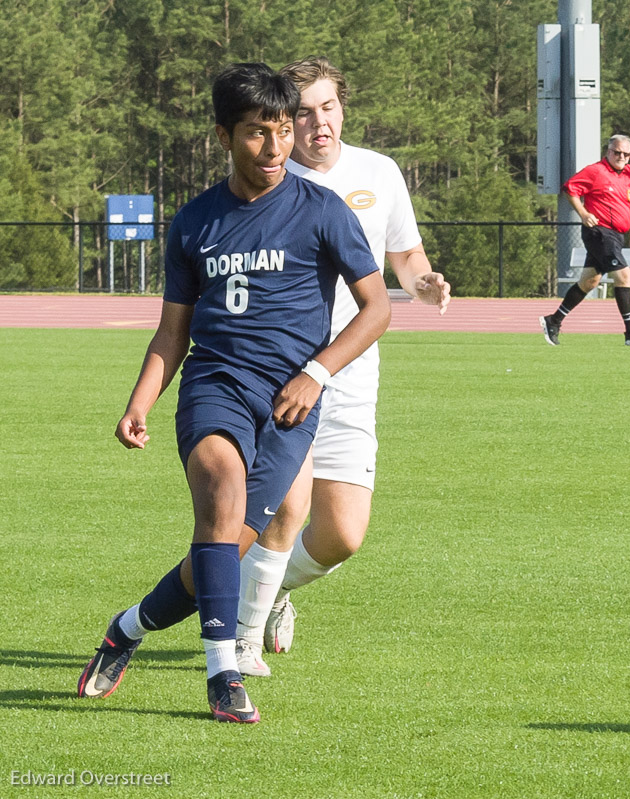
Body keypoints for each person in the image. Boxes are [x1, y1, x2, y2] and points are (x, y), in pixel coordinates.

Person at [75, 62, 392, 723]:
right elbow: (172, 332)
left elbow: (376, 310)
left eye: (282, 130)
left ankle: (126, 628)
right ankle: (224, 675)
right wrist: (140, 400)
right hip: (215, 386)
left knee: (223, 553)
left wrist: (317, 372)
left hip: (290, 405)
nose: (274, 148)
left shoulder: (323, 211)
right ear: (224, 136)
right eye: (256, 133)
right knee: (219, 495)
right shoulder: (194, 222)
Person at [232, 56, 451, 677]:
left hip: (352, 375)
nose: (317, 123)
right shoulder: (267, 180)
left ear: (343, 109)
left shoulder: (378, 172)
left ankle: (272, 593)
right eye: (302, 112)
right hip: (283, 373)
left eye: (327, 107)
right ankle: (241, 641)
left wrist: (424, 281)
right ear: (283, 121)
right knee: (286, 508)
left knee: (342, 536)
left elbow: (403, 254)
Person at [540, 134, 630, 346]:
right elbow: (570, 188)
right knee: (624, 276)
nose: (620, 156)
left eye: (625, 153)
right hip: (600, 231)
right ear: (608, 151)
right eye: (616, 152)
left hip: (616, 235)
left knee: (589, 281)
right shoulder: (596, 171)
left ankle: (554, 320)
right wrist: (584, 214)